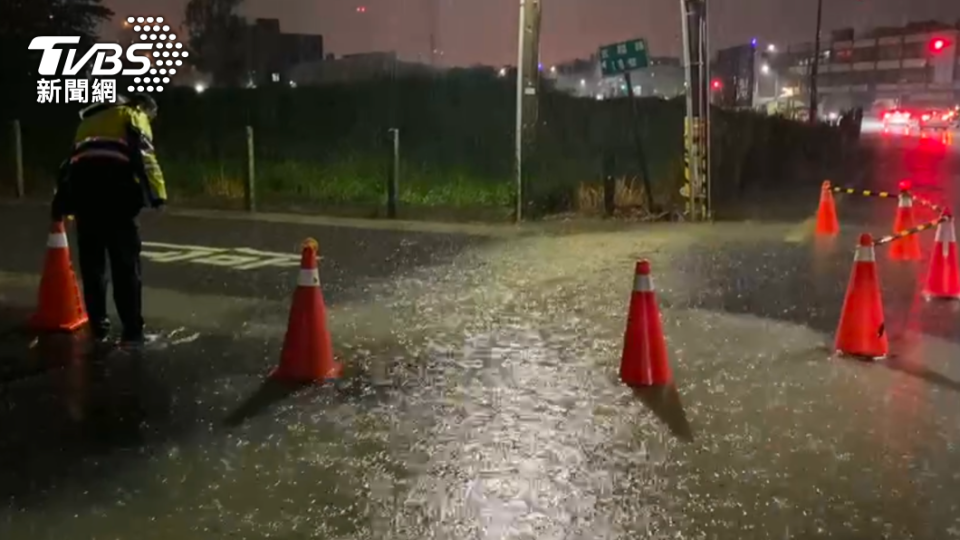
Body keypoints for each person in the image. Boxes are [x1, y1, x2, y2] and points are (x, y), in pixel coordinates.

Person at [52, 93, 167, 346]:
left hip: (84, 200)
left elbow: (69, 164)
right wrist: (158, 195)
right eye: (151, 115)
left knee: (93, 266)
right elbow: (146, 158)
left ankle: (99, 328)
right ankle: (132, 332)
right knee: (125, 266)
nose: (150, 120)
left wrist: (61, 202)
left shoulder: (87, 123)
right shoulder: (132, 116)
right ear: (143, 107)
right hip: (117, 198)